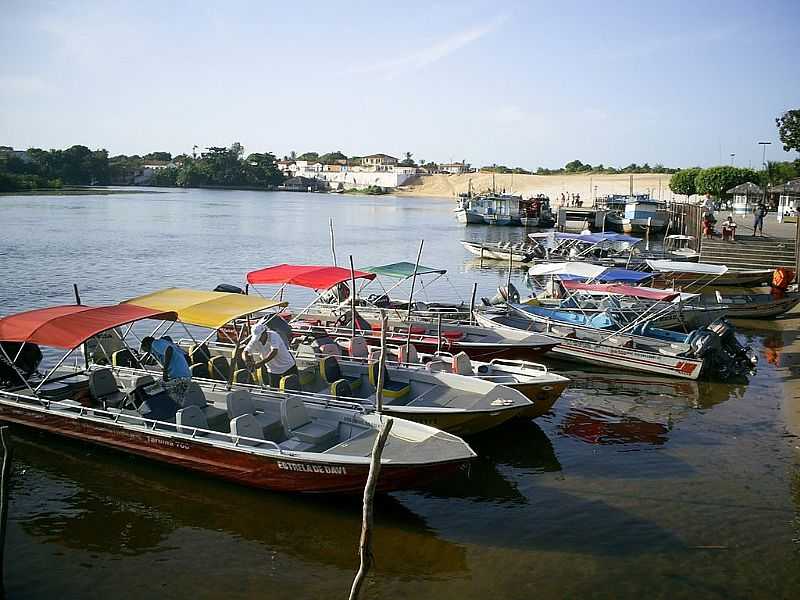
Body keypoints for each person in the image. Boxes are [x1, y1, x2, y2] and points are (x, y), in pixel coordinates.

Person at [241, 319, 297, 388]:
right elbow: (245, 352)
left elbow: (274, 352)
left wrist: (260, 363)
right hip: (273, 370)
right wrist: (247, 361)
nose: (259, 339)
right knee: (274, 393)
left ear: (265, 332)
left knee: (294, 391)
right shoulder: (254, 340)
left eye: (260, 336)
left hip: (288, 367)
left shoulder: (274, 335)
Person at [140, 336, 191, 406]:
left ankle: (150, 407)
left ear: (146, 345)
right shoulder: (163, 344)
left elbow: (169, 350)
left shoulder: (155, 344)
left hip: (179, 377)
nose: (147, 352)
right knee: (176, 399)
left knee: (151, 390)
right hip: (184, 376)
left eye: (145, 350)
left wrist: (165, 370)